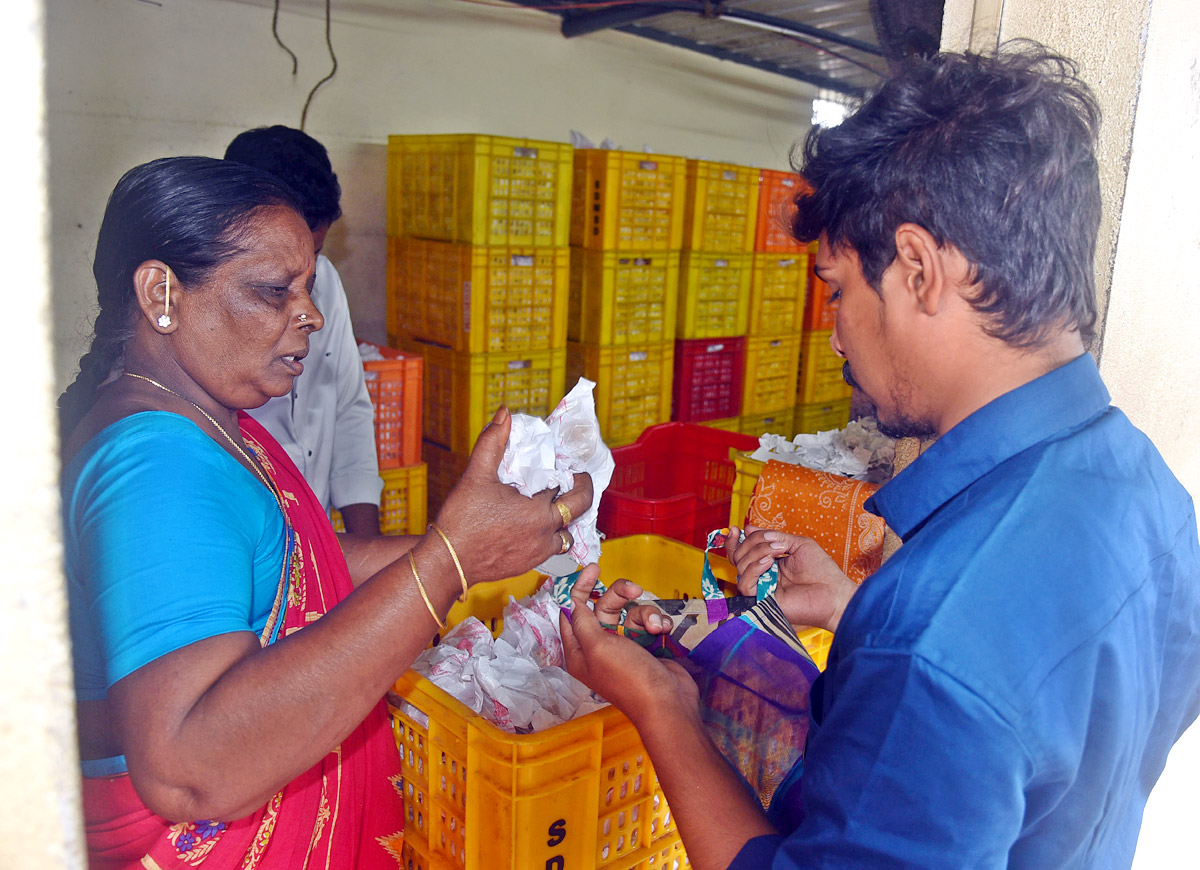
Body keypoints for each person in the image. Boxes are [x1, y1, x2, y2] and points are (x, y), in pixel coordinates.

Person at [560, 43, 1200, 869]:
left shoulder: (930, 636)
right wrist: (858, 609)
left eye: (836, 290)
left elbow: (953, 667)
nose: (831, 336)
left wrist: (662, 707)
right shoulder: (1148, 487)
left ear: (920, 269)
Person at [59, 155, 592, 868]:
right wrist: (450, 559)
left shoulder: (206, 420)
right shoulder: (159, 464)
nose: (309, 315)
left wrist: (478, 546)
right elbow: (188, 766)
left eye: (307, 288)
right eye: (274, 291)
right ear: (163, 292)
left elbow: (286, 565)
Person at [224, 125, 382, 535]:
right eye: (278, 284)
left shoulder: (325, 280)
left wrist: (365, 549)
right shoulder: (208, 310)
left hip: (315, 535)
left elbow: (349, 407)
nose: (311, 312)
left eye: (315, 253)